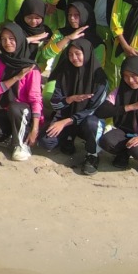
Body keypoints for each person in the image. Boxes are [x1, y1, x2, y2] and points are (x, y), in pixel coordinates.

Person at [42, 37, 109, 174]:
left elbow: (94, 109)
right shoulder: (65, 73)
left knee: (92, 123)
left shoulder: (100, 78)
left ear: (87, 53)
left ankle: (92, 155)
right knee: (46, 142)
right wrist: (70, 99)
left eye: (78, 54)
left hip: (87, 120)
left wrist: (65, 122)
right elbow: (55, 103)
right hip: (66, 115)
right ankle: (69, 137)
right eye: (70, 54)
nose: (74, 58)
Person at [0, 22, 42, 161]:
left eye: (12, 38)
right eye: (3, 39)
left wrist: (35, 128)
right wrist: (16, 77)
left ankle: (21, 145)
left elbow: (35, 98)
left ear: (19, 39)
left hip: (22, 112)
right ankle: (13, 135)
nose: (7, 43)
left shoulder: (31, 67)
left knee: (15, 107)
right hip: (3, 109)